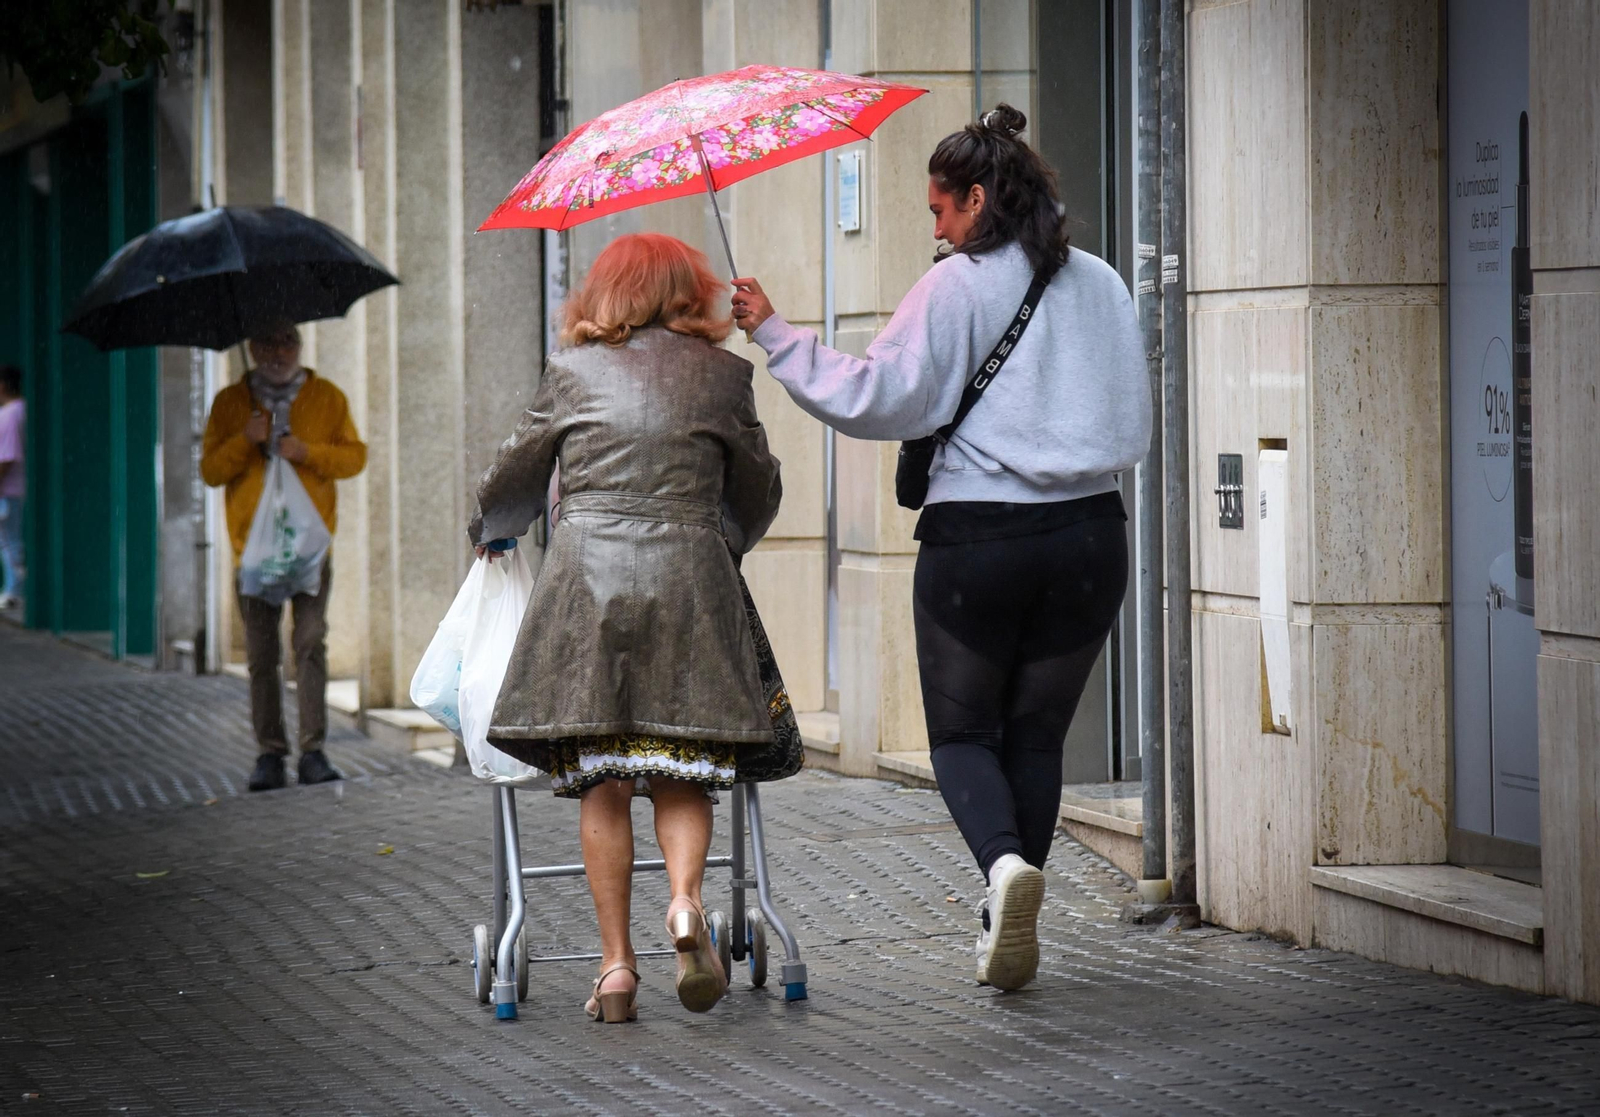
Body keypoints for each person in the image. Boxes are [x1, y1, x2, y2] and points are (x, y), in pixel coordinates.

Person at [731, 104, 1151, 993]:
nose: (936, 228)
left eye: (938, 210)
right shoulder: (1105, 282)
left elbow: (884, 396)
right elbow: (1129, 413)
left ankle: (1002, 871)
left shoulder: (957, 286)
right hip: (1091, 537)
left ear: (976, 197)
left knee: (961, 733)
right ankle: (1009, 910)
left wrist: (774, 331)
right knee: (1036, 738)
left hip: (981, 542)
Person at [470, 232, 782, 1023]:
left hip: (587, 594)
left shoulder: (571, 374)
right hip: (691, 587)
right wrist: (725, 539)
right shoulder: (724, 377)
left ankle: (615, 969)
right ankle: (684, 903)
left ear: (605, 294)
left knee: (604, 782)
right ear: (689, 293)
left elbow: (513, 472)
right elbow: (757, 490)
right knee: (684, 764)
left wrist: (494, 525)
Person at [201, 323, 368, 792]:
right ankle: (269, 753)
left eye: (287, 341)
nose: (278, 352)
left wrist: (306, 451)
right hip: (251, 554)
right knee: (261, 655)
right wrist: (245, 440)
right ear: (252, 347)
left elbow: (354, 457)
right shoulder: (231, 404)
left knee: (311, 643)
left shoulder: (327, 397)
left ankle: (313, 751)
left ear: (300, 345)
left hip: (309, 549)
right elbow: (211, 471)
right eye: (267, 342)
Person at [0, 364, 25, 613]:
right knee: (11, 540)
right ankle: (14, 589)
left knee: (9, 542)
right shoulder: (23, 411)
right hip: (18, 487)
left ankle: (14, 592)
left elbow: (7, 457)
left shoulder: (8, 414)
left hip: (9, 489)